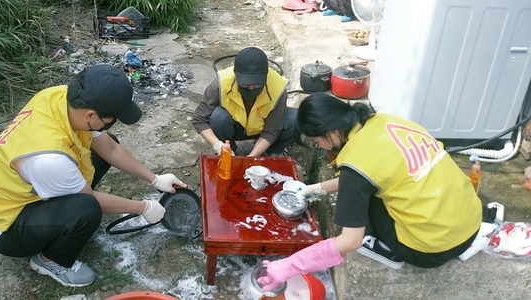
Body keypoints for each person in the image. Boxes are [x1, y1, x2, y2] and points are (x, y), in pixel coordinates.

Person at [0, 64, 188, 287]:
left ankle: (65, 222)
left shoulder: (61, 98)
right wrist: (144, 208)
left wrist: (154, 178)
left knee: (108, 143)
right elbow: (92, 199)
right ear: (90, 115)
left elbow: (111, 149)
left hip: (35, 190)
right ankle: (48, 261)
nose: (112, 123)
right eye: (112, 118)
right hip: (7, 225)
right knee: (86, 208)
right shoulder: (49, 157)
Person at [257, 93, 481, 291]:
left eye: (317, 142)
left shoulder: (357, 162)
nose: (321, 147)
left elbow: (350, 241)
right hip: (471, 221)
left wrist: (288, 266)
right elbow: (373, 173)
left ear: (333, 133)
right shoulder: (386, 122)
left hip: (430, 249)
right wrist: (316, 188)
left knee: (366, 200)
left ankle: (384, 248)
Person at [192, 47, 297, 157]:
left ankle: (268, 154)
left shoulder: (278, 89)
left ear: (266, 75)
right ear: (235, 74)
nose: (251, 88)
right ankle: (230, 152)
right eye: (245, 84)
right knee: (218, 117)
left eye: (257, 84)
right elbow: (199, 119)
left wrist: (252, 156)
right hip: (235, 128)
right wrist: (218, 145)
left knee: (297, 118)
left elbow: (272, 130)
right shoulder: (221, 84)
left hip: (263, 127)